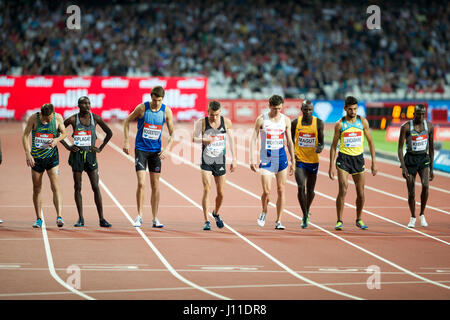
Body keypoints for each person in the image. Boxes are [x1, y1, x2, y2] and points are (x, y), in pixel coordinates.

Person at [123, 86, 174, 228]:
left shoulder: (166, 111)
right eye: (154, 100)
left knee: (155, 185)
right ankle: (139, 216)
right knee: (141, 183)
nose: (156, 103)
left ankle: (155, 218)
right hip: (141, 150)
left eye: (159, 100)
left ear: (162, 99)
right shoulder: (142, 108)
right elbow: (127, 121)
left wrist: (167, 149)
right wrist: (126, 140)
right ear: (150, 97)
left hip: (155, 152)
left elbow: (172, 134)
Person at [61, 96, 113, 228]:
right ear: (79, 105)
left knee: (95, 186)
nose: (87, 105)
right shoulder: (73, 119)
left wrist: (100, 148)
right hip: (77, 156)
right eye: (84, 103)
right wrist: (68, 146)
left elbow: (109, 132)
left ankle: (101, 218)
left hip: (90, 156)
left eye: (89, 103)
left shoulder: (95, 118)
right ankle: (80, 218)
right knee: (77, 187)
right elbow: (58, 132)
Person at [328, 96, 377, 230]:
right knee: (343, 189)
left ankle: (359, 219)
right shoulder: (340, 124)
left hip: (358, 159)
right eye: (350, 109)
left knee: (360, 192)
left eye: (355, 109)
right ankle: (339, 220)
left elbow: (371, 142)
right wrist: (331, 166)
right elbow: (333, 146)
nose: (353, 111)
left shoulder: (363, 122)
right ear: (345, 109)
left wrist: (374, 162)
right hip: (343, 159)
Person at [250, 94, 295, 230]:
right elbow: (253, 139)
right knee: (267, 191)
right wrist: (251, 158)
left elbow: (289, 142)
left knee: (281, 189)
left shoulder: (286, 120)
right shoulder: (262, 119)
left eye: (279, 108)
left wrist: (293, 160)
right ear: (269, 106)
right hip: (267, 159)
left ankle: (279, 220)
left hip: (281, 158)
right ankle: (264, 211)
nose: (277, 111)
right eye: (275, 108)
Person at [193, 101, 237, 230]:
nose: (214, 117)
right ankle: (206, 220)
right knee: (207, 188)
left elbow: (232, 141)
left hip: (219, 160)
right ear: (208, 112)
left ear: (220, 112)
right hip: (206, 159)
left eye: (217, 115)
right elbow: (193, 138)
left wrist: (234, 159)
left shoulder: (226, 122)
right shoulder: (201, 123)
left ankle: (216, 213)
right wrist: (203, 140)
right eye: (212, 115)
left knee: (221, 193)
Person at [22, 103, 67, 228]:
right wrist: (28, 154)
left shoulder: (57, 118)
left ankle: (59, 216)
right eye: (48, 118)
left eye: (51, 117)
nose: (50, 120)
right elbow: (25, 135)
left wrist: (56, 140)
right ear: (42, 114)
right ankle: (39, 218)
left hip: (52, 158)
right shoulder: (33, 119)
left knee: (55, 186)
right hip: (36, 159)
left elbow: (64, 133)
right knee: (37, 188)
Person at [398, 104, 434, 228]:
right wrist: (403, 167)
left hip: (423, 158)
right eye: (419, 113)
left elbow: (432, 149)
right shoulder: (406, 127)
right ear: (414, 114)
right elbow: (399, 149)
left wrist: (432, 169)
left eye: (423, 114)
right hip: (410, 159)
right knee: (411, 192)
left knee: (425, 185)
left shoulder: (429, 127)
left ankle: (422, 214)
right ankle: (413, 216)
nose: (421, 116)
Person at [291, 100, 324, 228]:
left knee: (311, 191)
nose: (308, 112)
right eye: (306, 109)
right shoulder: (296, 122)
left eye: (310, 109)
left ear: (312, 110)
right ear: (301, 109)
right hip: (300, 160)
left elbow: (321, 142)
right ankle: (305, 214)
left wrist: (320, 148)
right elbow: (290, 138)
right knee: (301, 187)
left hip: (313, 160)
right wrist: (293, 150)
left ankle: (307, 210)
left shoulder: (318, 123)